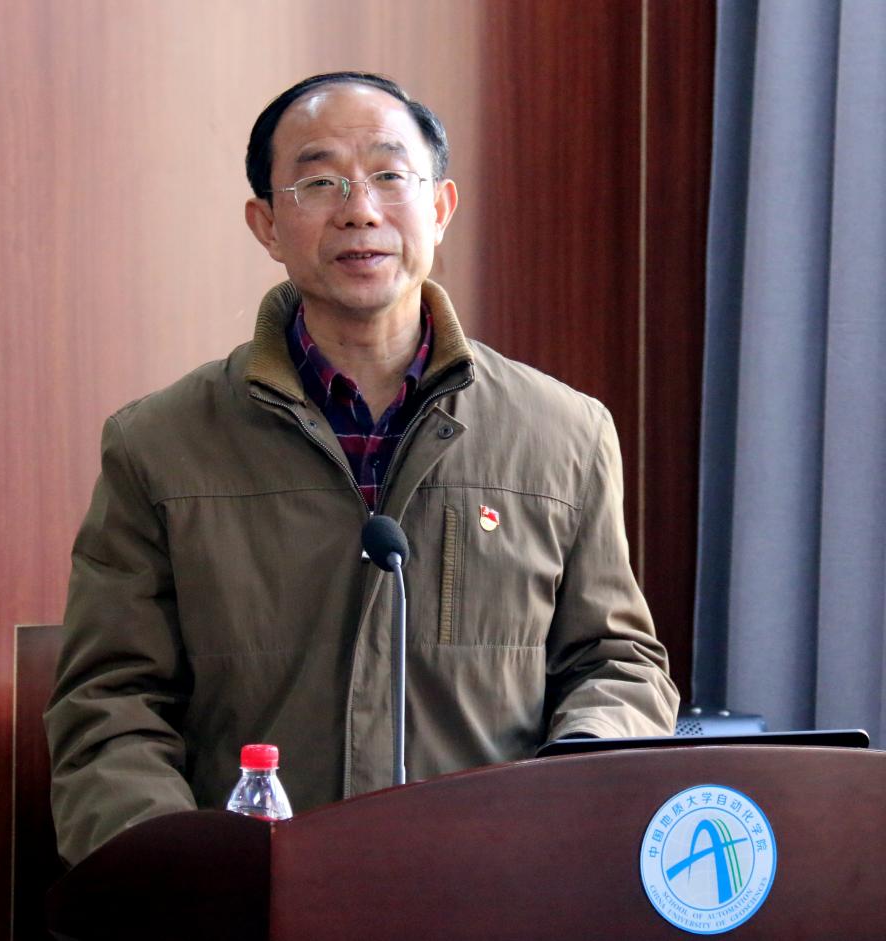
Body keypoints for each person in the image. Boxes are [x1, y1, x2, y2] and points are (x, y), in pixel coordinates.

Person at [45, 71, 679, 867]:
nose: (360, 210)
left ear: (440, 206)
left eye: (389, 175)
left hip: (496, 887)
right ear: (267, 224)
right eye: (319, 182)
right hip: (254, 897)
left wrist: (562, 800)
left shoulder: (564, 434)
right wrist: (185, 876)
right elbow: (110, 705)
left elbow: (617, 665)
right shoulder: (161, 444)